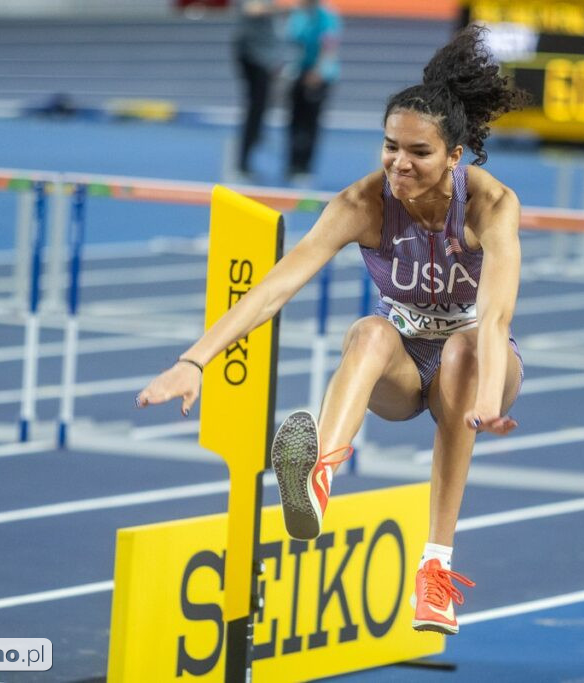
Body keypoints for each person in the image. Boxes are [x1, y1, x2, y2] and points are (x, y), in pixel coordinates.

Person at [137, 25, 527, 636]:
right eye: (390, 146)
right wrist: (195, 360)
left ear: (455, 156)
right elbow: (272, 289)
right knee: (370, 331)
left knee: (460, 351)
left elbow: (496, 317)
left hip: (478, 360)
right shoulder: (359, 204)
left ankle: (436, 569)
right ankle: (317, 479)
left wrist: (484, 404)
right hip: (401, 370)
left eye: (419, 153)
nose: (399, 162)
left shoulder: (491, 205)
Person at [285, 0, 341, 183]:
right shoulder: (299, 15)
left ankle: (304, 166)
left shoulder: (327, 16)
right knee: (294, 120)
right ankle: (292, 164)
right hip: (299, 73)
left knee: (310, 123)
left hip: (320, 75)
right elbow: (292, 42)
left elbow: (329, 46)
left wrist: (318, 72)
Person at [234, 0, 281, 179]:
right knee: (255, 108)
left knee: (260, 108)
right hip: (253, 57)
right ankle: (243, 162)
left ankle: (252, 146)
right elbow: (252, 9)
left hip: (264, 58)